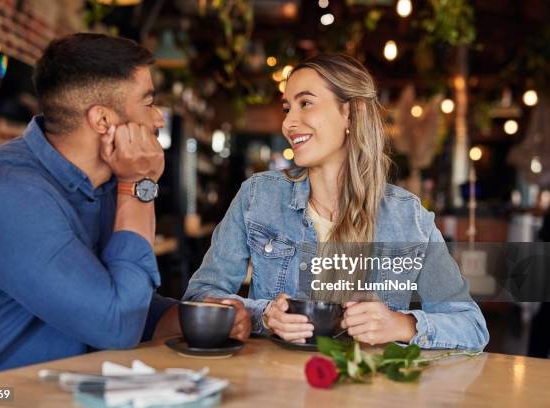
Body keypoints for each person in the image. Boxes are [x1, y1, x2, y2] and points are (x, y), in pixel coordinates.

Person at [0, 33, 249, 382]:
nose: (158, 120)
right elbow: (116, 325)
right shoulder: (4, 191)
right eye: (148, 103)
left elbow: (121, 302)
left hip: (63, 393)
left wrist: (197, 318)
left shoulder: (104, 185)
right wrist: (139, 184)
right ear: (103, 121)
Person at [184, 53, 489, 350]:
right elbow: (201, 295)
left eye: (306, 104)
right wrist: (262, 315)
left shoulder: (407, 217)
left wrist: (400, 324)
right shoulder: (257, 197)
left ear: (350, 113)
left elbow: (471, 325)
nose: (288, 123)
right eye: (287, 108)